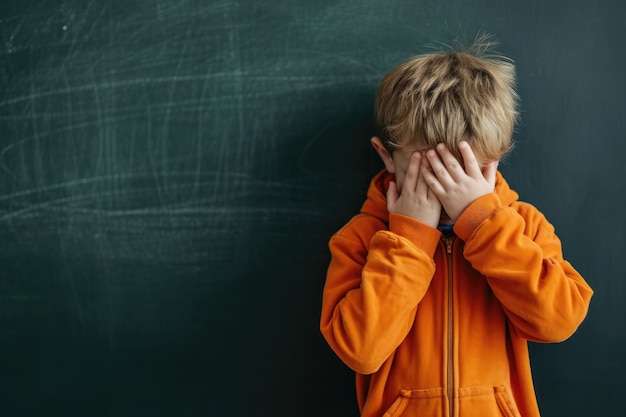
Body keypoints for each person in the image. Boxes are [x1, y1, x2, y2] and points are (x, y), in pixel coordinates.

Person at [319, 36, 593, 417]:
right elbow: (360, 351)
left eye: (469, 171)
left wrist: (484, 222)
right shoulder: (361, 239)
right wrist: (408, 238)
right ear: (386, 156)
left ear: (495, 160)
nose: (452, 192)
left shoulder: (524, 226)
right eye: (432, 172)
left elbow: (558, 322)